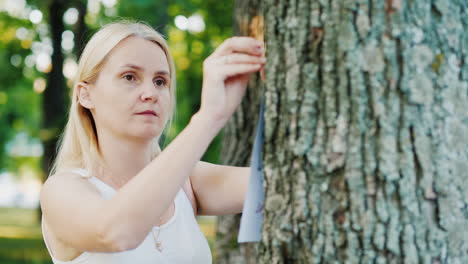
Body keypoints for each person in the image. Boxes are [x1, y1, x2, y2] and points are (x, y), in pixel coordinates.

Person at [39, 20, 266, 264]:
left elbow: (283, 182)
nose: (150, 93)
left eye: (160, 81)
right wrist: (208, 118)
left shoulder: (186, 181)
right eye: (129, 77)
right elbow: (115, 232)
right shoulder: (62, 190)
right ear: (86, 94)